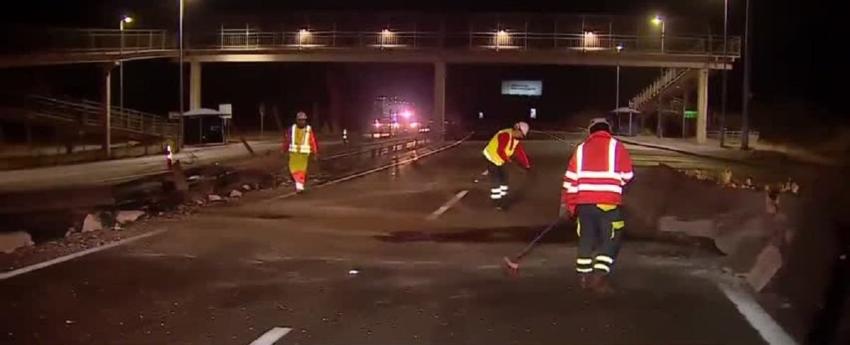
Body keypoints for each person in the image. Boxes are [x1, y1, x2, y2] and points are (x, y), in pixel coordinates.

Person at [562, 118, 634, 293]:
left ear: (591, 132)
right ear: (608, 131)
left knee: (586, 238)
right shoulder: (617, 146)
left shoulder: (580, 149)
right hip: (607, 203)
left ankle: (583, 277)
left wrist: (569, 206)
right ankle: (600, 276)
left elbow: (570, 181)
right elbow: (627, 175)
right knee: (611, 238)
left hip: (584, 205)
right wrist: (614, 184)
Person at [482, 121, 532, 209]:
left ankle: (503, 198)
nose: (522, 137)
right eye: (521, 134)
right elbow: (500, 150)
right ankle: (497, 203)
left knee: (504, 179)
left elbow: (520, 152)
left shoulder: (516, 139)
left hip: (500, 160)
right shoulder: (505, 135)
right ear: (517, 129)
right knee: (496, 181)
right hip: (491, 158)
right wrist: (509, 161)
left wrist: (526, 164)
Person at [282, 111, 318, 193]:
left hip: (303, 155)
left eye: (304, 120)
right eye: (300, 120)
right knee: (293, 170)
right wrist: (284, 149)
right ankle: (299, 185)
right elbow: (287, 140)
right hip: (294, 154)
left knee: (301, 171)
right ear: (297, 120)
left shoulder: (308, 129)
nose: (302, 122)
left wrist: (315, 152)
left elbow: (312, 141)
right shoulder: (292, 129)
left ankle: (299, 186)